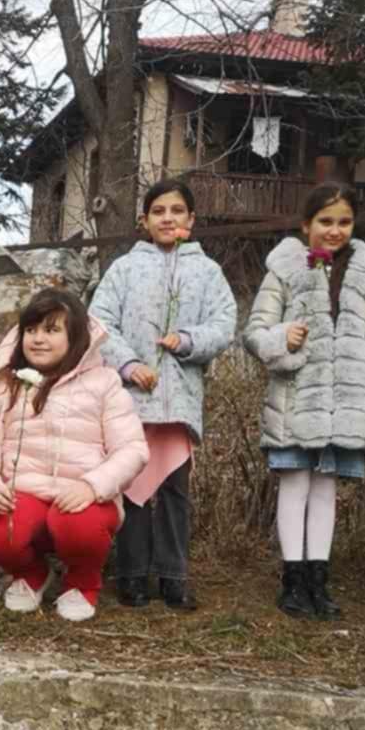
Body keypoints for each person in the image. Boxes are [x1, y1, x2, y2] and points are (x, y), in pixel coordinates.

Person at [243, 184, 365, 620]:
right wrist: (282, 338)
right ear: (305, 225)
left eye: (344, 222)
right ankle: (292, 580)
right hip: (295, 401)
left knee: (326, 490)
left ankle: (318, 579)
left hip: (343, 402)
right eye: (325, 221)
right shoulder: (284, 270)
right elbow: (255, 331)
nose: (335, 230)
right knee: (295, 485)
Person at [89, 178, 236, 610]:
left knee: (174, 489)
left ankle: (174, 576)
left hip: (179, 402)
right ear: (144, 220)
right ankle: (132, 574)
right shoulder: (124, 268)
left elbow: (223, 323)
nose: (167, 219)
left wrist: (188, 340)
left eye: (176, 211)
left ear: (191, 219)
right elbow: (99, 322)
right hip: (132, 400)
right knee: (132, 484)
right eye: (158, 211)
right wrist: (129, 365)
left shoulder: (207, 272)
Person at [0, 287, 149, 622]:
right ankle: (32, 574)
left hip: (83, 500)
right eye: (31, 330)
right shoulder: (5, 384)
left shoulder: (105, 383)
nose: (38, 339)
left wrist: (92, 486)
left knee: (78, 524)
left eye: (51, 330)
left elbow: (132, 449)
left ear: (74, 336)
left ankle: (82, 582)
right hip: (25, 494)